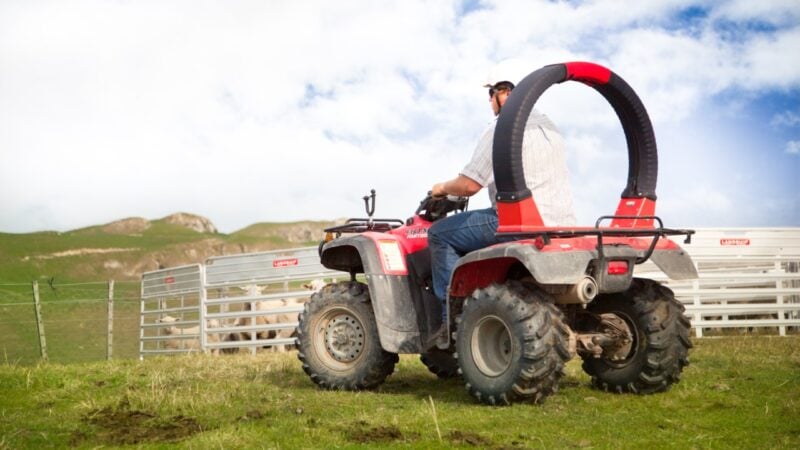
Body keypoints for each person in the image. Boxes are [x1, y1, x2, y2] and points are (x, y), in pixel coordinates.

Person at [426, 59, 577, 348]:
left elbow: (470, 185)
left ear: (505, 92)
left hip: (518, 222)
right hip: (561, 224)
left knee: (439, 234)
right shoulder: (550, 127)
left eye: (491, 94)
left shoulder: (502, 128)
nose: (490, 101)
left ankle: (452, 319)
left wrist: (441, 188)